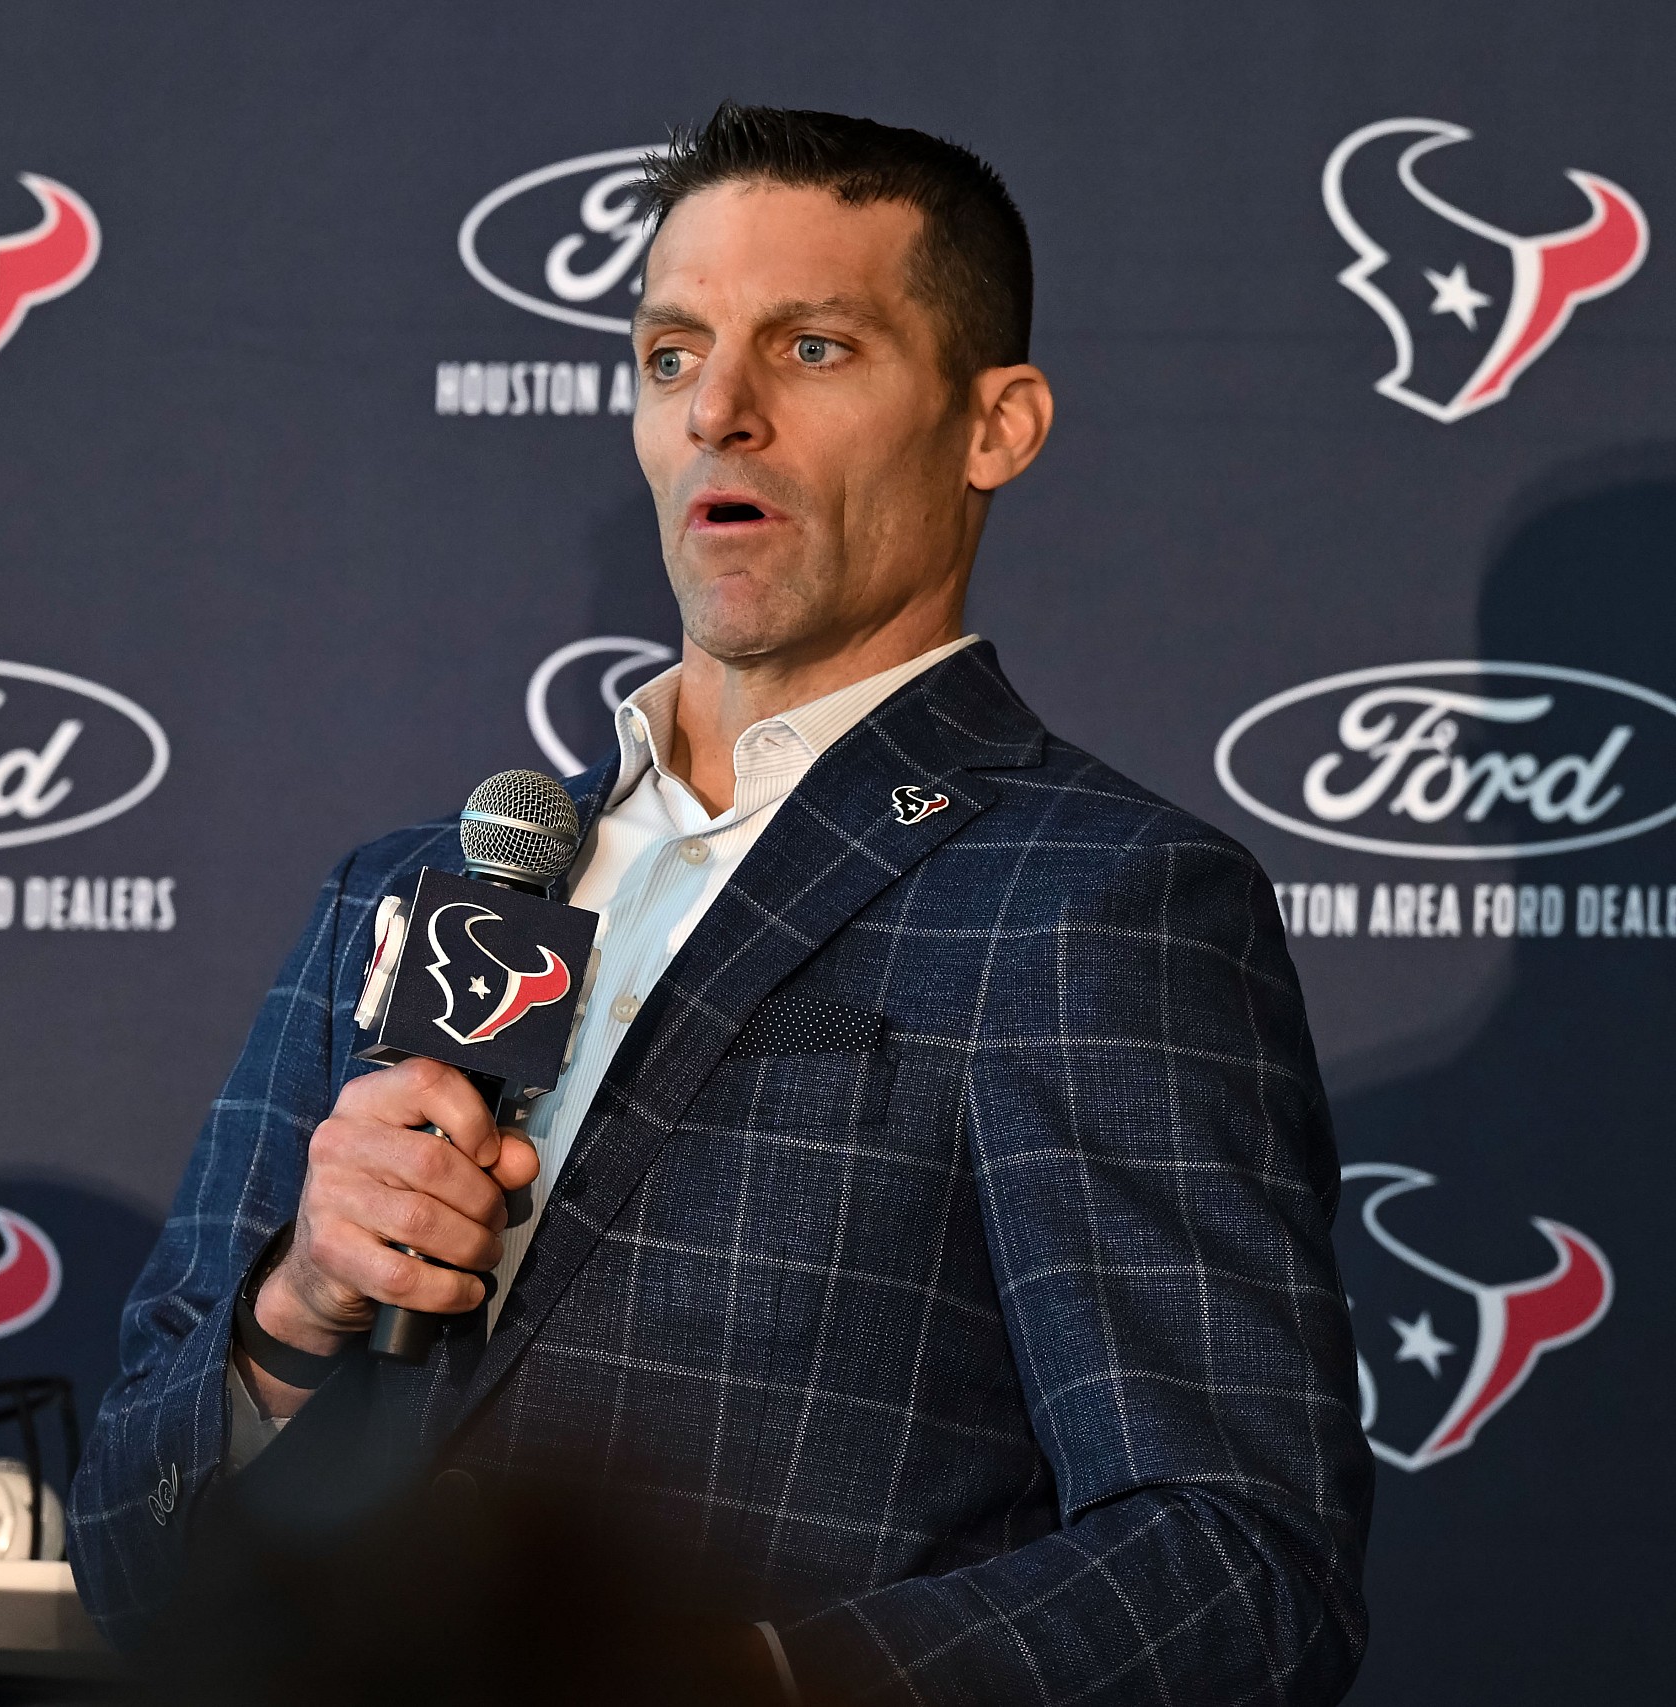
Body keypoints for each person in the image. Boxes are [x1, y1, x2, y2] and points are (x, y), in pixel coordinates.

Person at [72, 103, 1371, 1704]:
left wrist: (753, 1682)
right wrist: (292, 1318)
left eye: (813, 348)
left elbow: (1240, 1567)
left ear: (996, 425)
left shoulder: (1100, 901)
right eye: (672, 353)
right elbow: (130, 1568)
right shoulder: (411, 892)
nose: (721, 413)